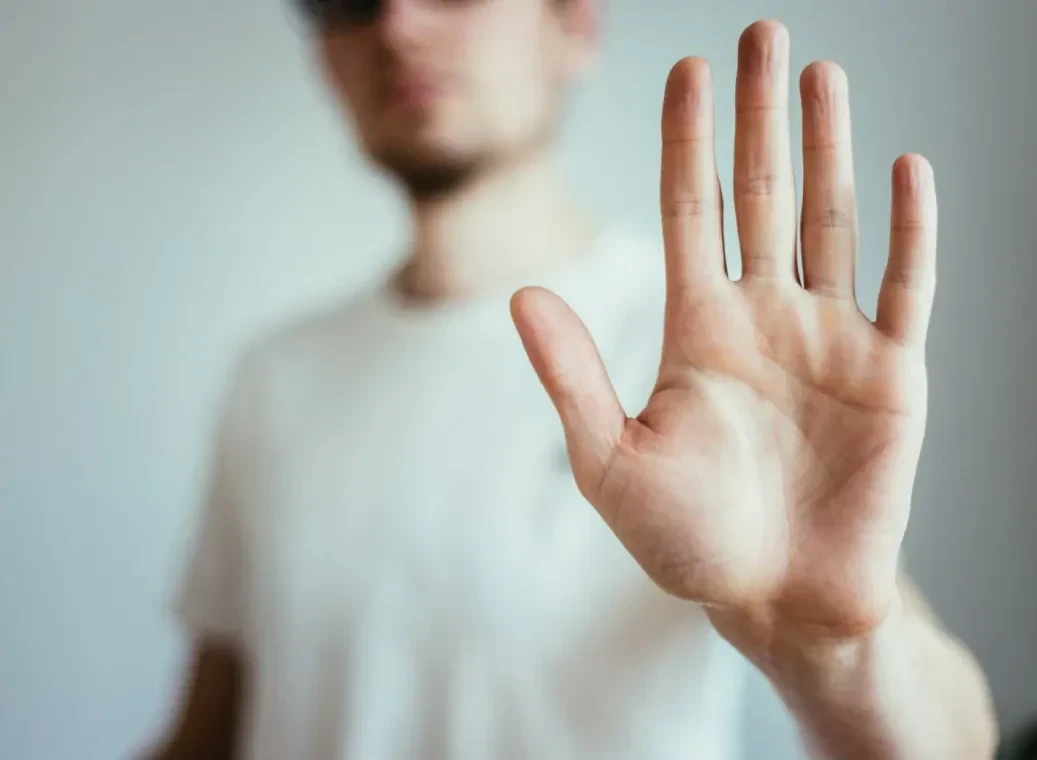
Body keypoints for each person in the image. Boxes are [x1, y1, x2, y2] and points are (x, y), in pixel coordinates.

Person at [149, 1, 998, 758]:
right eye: (345, 1)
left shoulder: (710, 364)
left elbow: (951, 742)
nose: (398, 22)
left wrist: (831, 647)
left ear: (573, 23)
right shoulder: (275, 379)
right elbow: (210, 733)